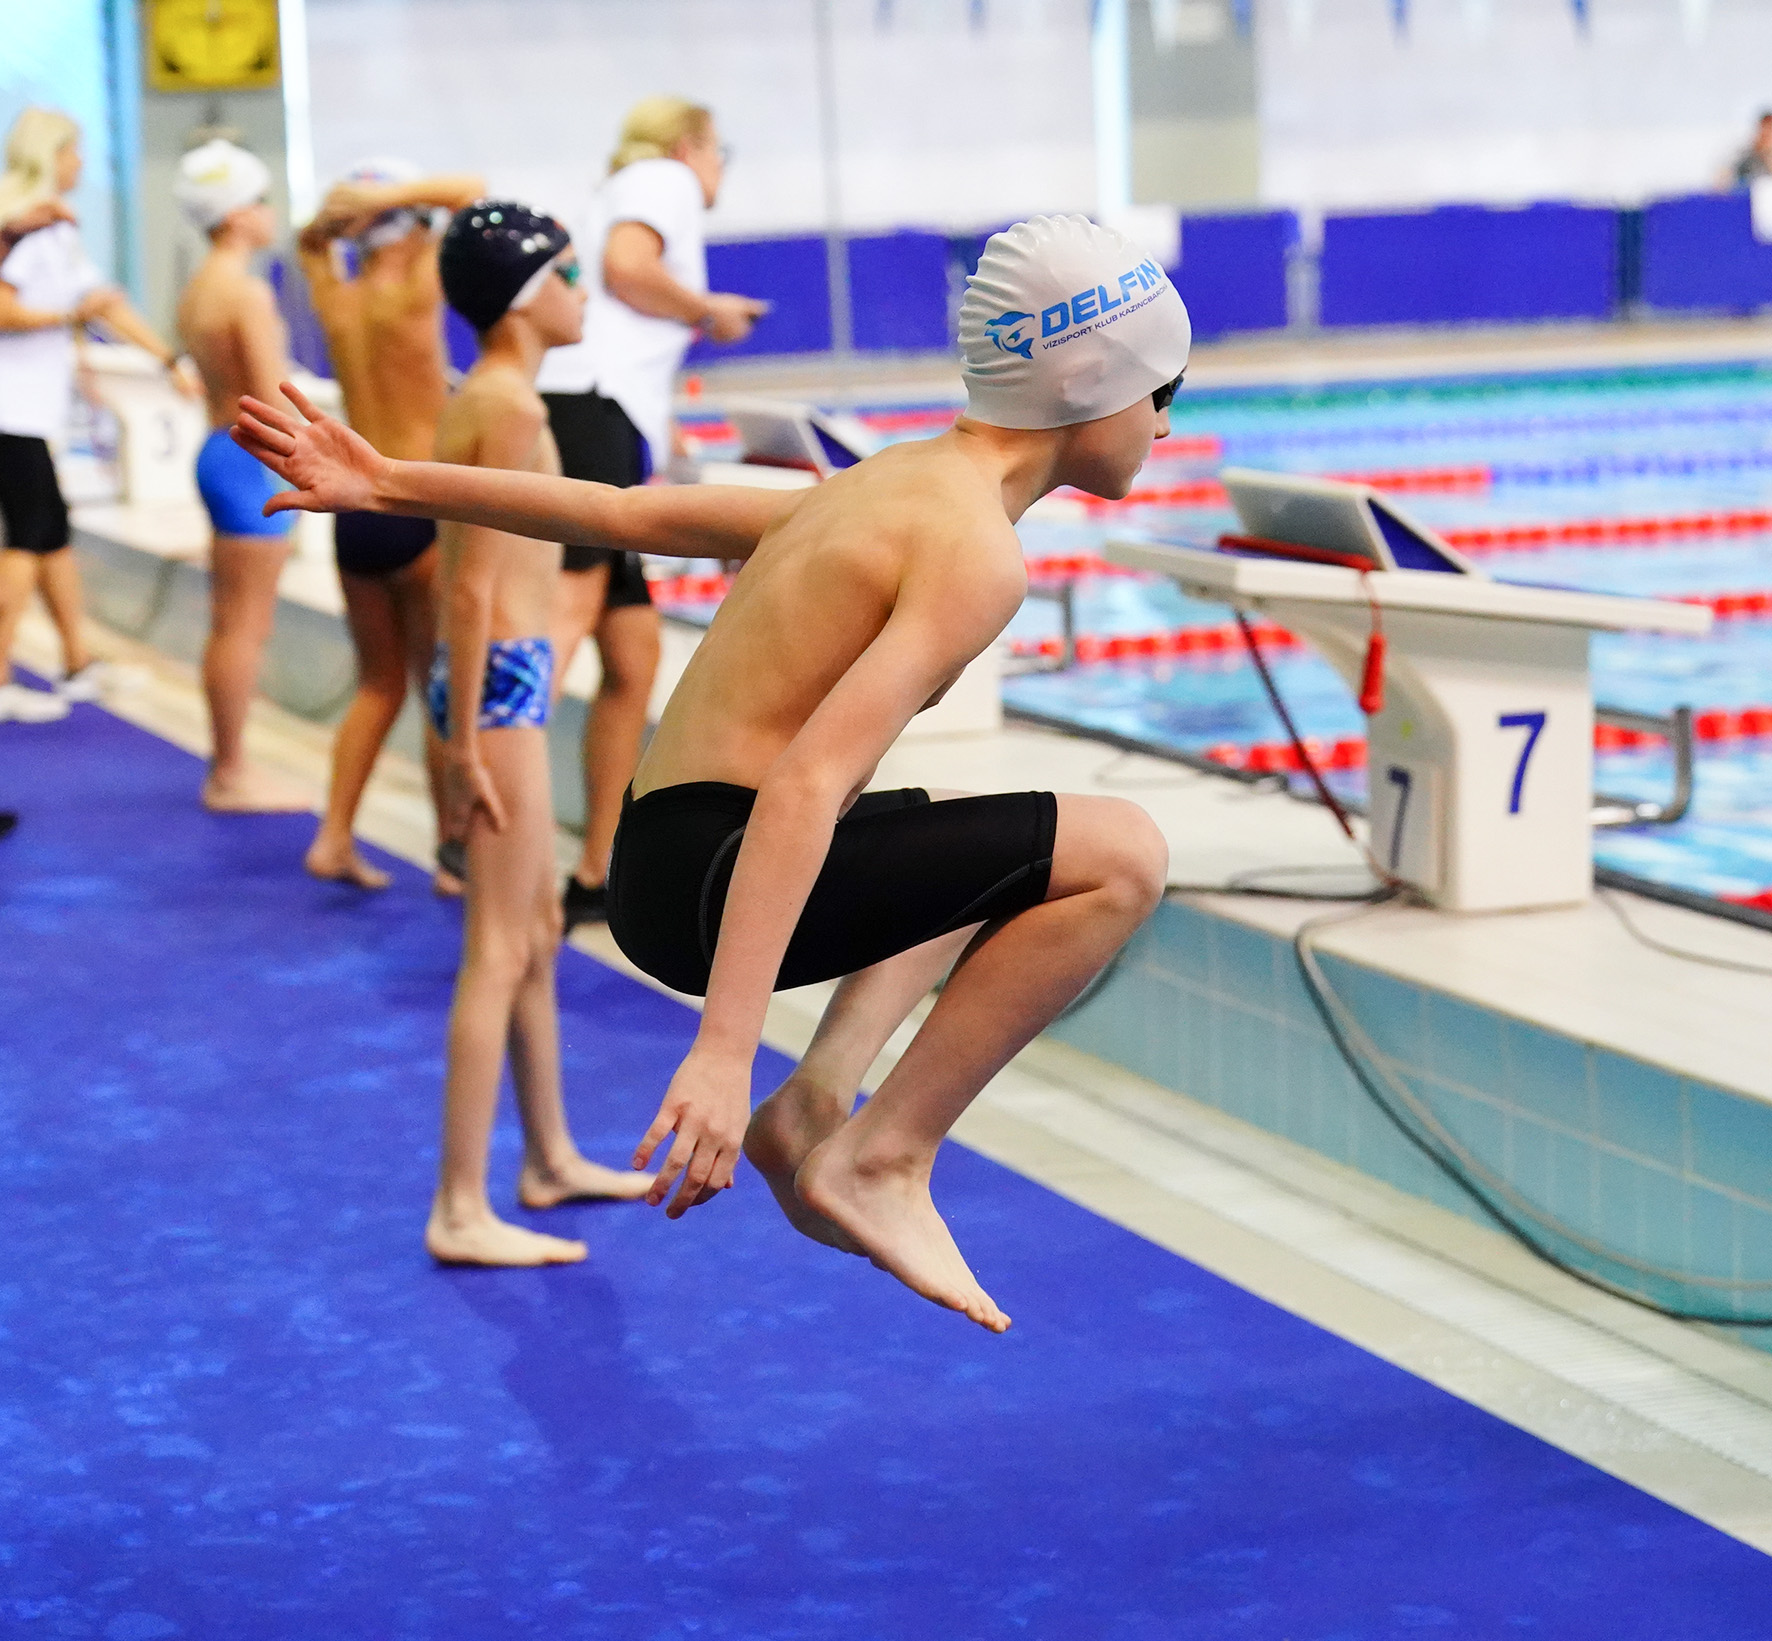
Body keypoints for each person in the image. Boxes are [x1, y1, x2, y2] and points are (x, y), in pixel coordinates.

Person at [232, 214, 1188, 1328]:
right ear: (1087, 381)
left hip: (667, 855)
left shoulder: (886, 481)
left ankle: (816, 1104)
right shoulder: (975, 552)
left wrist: (391, 482)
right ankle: (881, 1158)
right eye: (1163, 391)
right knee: (1122, 856)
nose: (1167, 422)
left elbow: (628, 512)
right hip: (711, 879)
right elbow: (805, 786)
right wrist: (723, 1055)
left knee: (999, 846)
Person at [425, 199, 653, 1265]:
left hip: (498, 684)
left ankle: (550, 1156)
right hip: (498, 690)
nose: (583, 288)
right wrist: (463, 745)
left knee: (540, 930)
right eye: (566, 271)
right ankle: (459, 1206)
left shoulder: (490, 394)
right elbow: (470, 589)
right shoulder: (509, 408)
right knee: (498, 947)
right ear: (522, 295)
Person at [537, 97, 766, 929]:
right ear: (688, 145)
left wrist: (660, 429)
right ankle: (488, 804)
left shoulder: (621, 185)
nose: (720, 167)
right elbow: (629, 269)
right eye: (719, 149)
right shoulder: (662, 179)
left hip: (600, 410)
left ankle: (597, 868)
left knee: (631, 655)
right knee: (569, 609)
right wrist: (708, 310)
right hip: (590, 409)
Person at [295, 159, 485, 890]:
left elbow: (308, 241)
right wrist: (387, 199)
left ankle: (333, 836)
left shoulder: (337, 297)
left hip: (353, 516)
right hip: (414, 503)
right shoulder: (417, 287)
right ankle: (451, 857)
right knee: (439, 689)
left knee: (377, 686)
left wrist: (343, 216)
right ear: (409, 229)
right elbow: (471, 192)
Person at [0, 107, 197, 725]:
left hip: (31, 412)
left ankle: (77, 661)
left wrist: (167, 358)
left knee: (52, 535)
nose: (82, 163)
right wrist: (69, 318)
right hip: (10, 413)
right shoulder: (25, 229)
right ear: (51, 155)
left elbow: (105, 305)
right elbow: (7, 310)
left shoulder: (56, 232)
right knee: (26, 541)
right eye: (75, 151)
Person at [175, 138, 309, 812]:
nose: (270, 211)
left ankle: (228, 765)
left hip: (218, 450)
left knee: (230, 622)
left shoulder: (199, 288)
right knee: (244, 628)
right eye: (260, 199)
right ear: (234, 215)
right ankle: (230, 773)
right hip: (252, 461)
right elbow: (270, 398)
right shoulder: (247, 292)